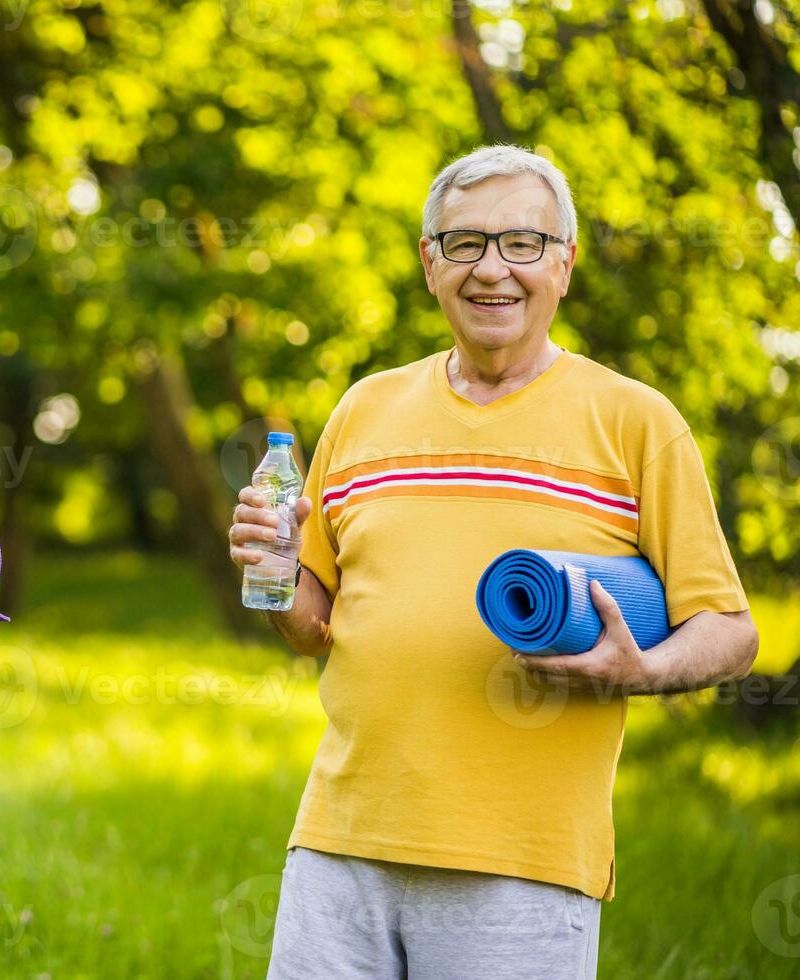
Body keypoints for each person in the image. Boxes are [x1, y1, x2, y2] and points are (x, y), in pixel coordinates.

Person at [227, 144, 758, 980]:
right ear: (430, 265)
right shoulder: (365, 409)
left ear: (565, 264)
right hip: (340, 847)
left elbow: (730, 629)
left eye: (523, 243)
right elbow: (310, 628)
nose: (493, 270)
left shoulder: (637, 423)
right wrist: (274, 572)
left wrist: (641, 668)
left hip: (523, 866)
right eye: (465, 243)